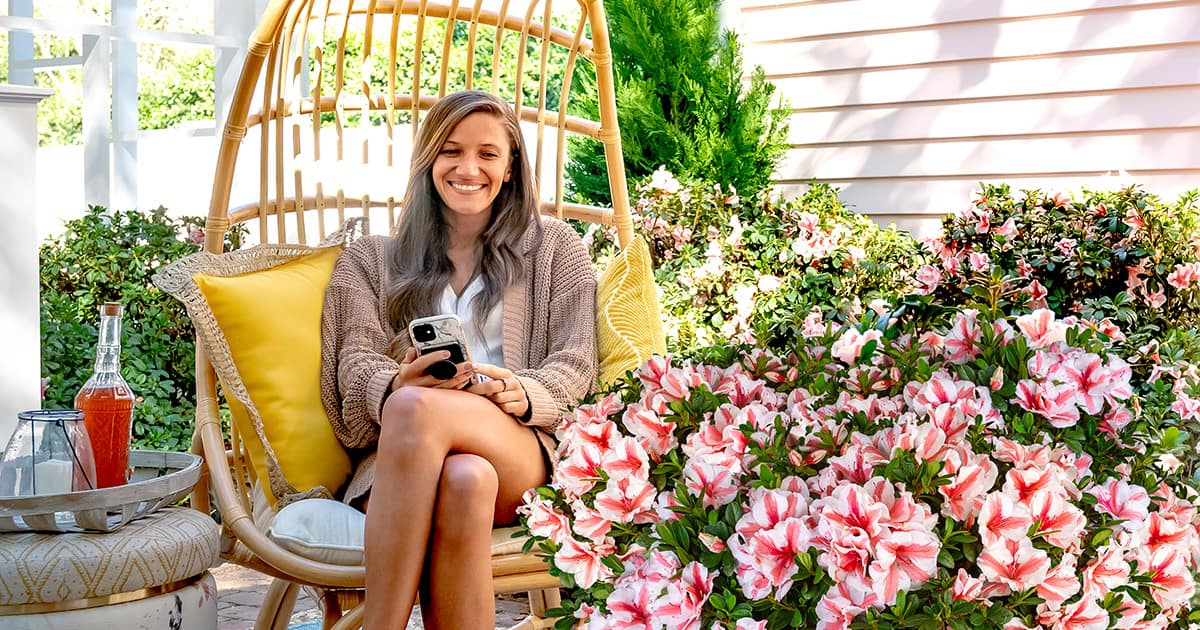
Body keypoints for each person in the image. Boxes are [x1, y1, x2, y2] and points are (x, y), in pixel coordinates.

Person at [319, 90, 597, 629]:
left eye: (488, 154)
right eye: (451, 151)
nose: (468, 169)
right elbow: (352, 362)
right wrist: (395, 381)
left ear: (511, 168)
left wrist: (520, 391)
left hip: (519, 446)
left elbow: (576, 359)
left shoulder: (555, 248)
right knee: (464, 478)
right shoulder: (370, 259)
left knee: (414, 408)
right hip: (407, 463)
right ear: (429, 160)